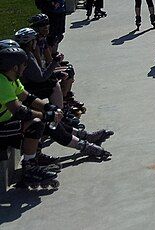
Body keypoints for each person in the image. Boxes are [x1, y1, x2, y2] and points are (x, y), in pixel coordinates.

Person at [0, 41, 112, 188]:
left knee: (45, 119)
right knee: (37, 123)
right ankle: (30, 168)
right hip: (2, 128)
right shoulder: (2, 82)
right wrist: (45, 115)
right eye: (23, 64)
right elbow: (19, 110)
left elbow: (28, 97)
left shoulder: (10, 78)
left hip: (6, 121)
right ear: (14, 67)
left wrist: (49, 108)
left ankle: (83, 140)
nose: (25, 67)